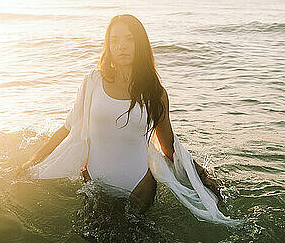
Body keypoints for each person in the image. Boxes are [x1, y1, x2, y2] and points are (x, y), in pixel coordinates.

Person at [17, 14, 236, 224]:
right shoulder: (92, 83)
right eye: (115, 40)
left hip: (139, 187)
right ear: (108, 46)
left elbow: (168, 147)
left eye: (129, 39)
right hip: (95, 183)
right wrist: (33, 161)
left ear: (139, 44)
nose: (121, 46)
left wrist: (202, 176)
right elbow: (67, 128)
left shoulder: (155, 93)